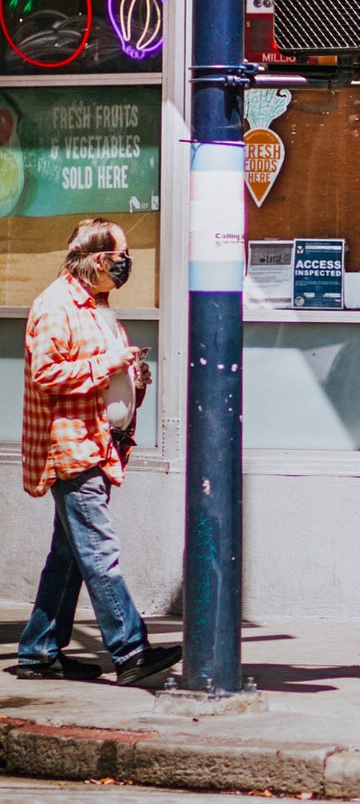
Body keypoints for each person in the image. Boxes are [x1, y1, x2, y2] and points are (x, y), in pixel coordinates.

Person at [15, 218, 182, 686]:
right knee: (98, 550)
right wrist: (110, 363)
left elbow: (102, 366)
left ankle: (38, 650)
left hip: (97, 440)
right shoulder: (55, 307)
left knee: (69, 555)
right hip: (71, 445)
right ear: (97, 259)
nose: (127, 264)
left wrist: (132, 381)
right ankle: (130, 650)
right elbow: (47, 374)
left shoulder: (95, 305)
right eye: (121, 256)